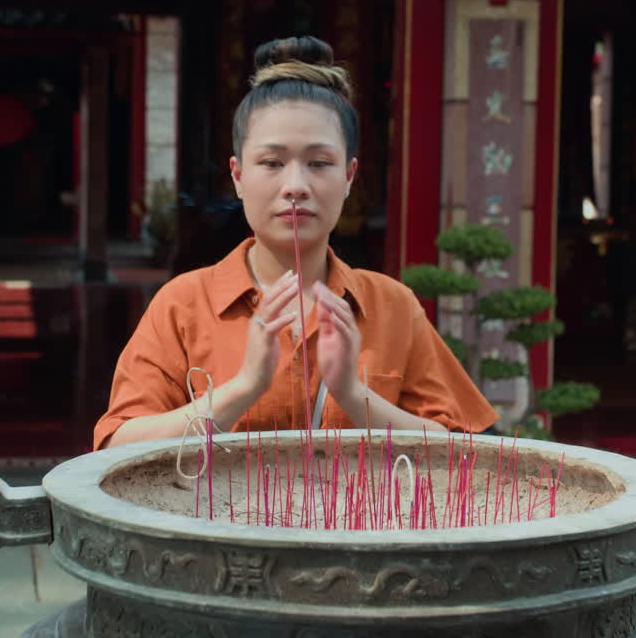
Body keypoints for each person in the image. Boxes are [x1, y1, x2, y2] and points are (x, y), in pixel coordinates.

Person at [93, 36, 497, 450]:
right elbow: (117, 445)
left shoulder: (392, 305)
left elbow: (463, 450)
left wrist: (354, 396)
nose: (296, 186)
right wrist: (244, 387)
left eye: (319, 164)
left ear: (349, 176)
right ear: (237, 176)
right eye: (272, 163)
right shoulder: (183, 304)